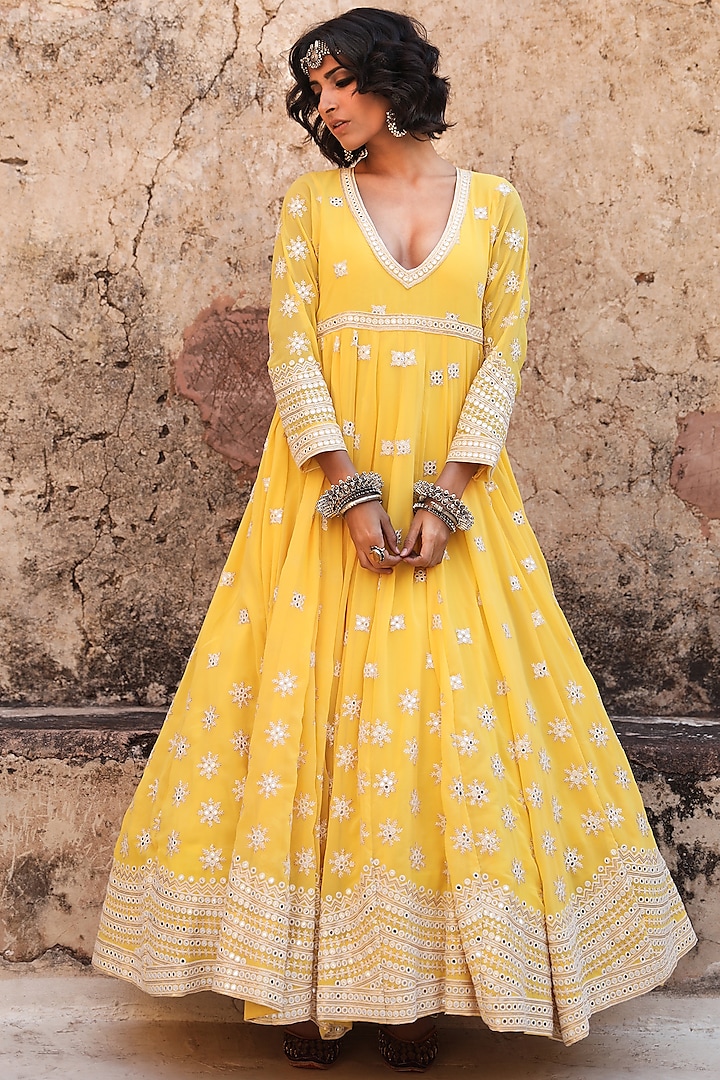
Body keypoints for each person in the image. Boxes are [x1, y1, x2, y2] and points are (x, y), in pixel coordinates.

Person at [93, 7, 696, 1072]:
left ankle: (414, 985)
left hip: (457, 514)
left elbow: (501, 360)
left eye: (336, 82)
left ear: (392, 79)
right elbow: (293, 354)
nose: (322, 106)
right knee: (311, 725)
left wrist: (447, 496)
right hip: (321, 511)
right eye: (313, 88)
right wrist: (355, 495)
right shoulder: (313, 207)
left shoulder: (499, 209)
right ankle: (308, 988)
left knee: (436, 736)